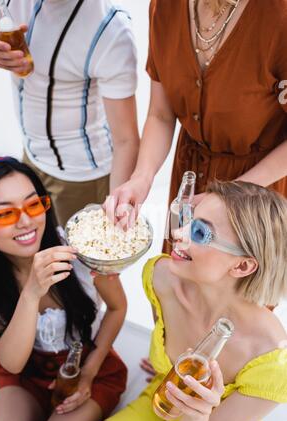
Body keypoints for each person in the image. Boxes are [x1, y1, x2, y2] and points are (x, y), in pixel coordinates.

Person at [76, 181, 287, 421]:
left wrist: (197, 413)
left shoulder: (272, 358)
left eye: (199, 233)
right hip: (160, 404)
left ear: (243, 265)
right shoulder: (161, 277)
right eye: (189, 220)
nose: (178, 232)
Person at [106, 0, 287, 245]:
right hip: (189, 179)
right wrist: (141, 178)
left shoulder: (279, 16)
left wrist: (230, 194)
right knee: (179, 273)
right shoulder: (164, 7)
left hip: (257, 193)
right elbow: (161, 114)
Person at [0, 157, 127, 421]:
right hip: (25, 375)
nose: (25, 221)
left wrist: (88, 372)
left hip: (90, 366)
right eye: (4, 214)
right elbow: (12, 363)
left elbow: (117, 307)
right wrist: (31, 292)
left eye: (33, 204)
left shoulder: (79, 249)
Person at [0, 0, 139, 226]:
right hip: (31, 156)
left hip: (80, 177)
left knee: (76, 256)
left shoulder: (111, 30)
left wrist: (116, 208)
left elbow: (126, 140)